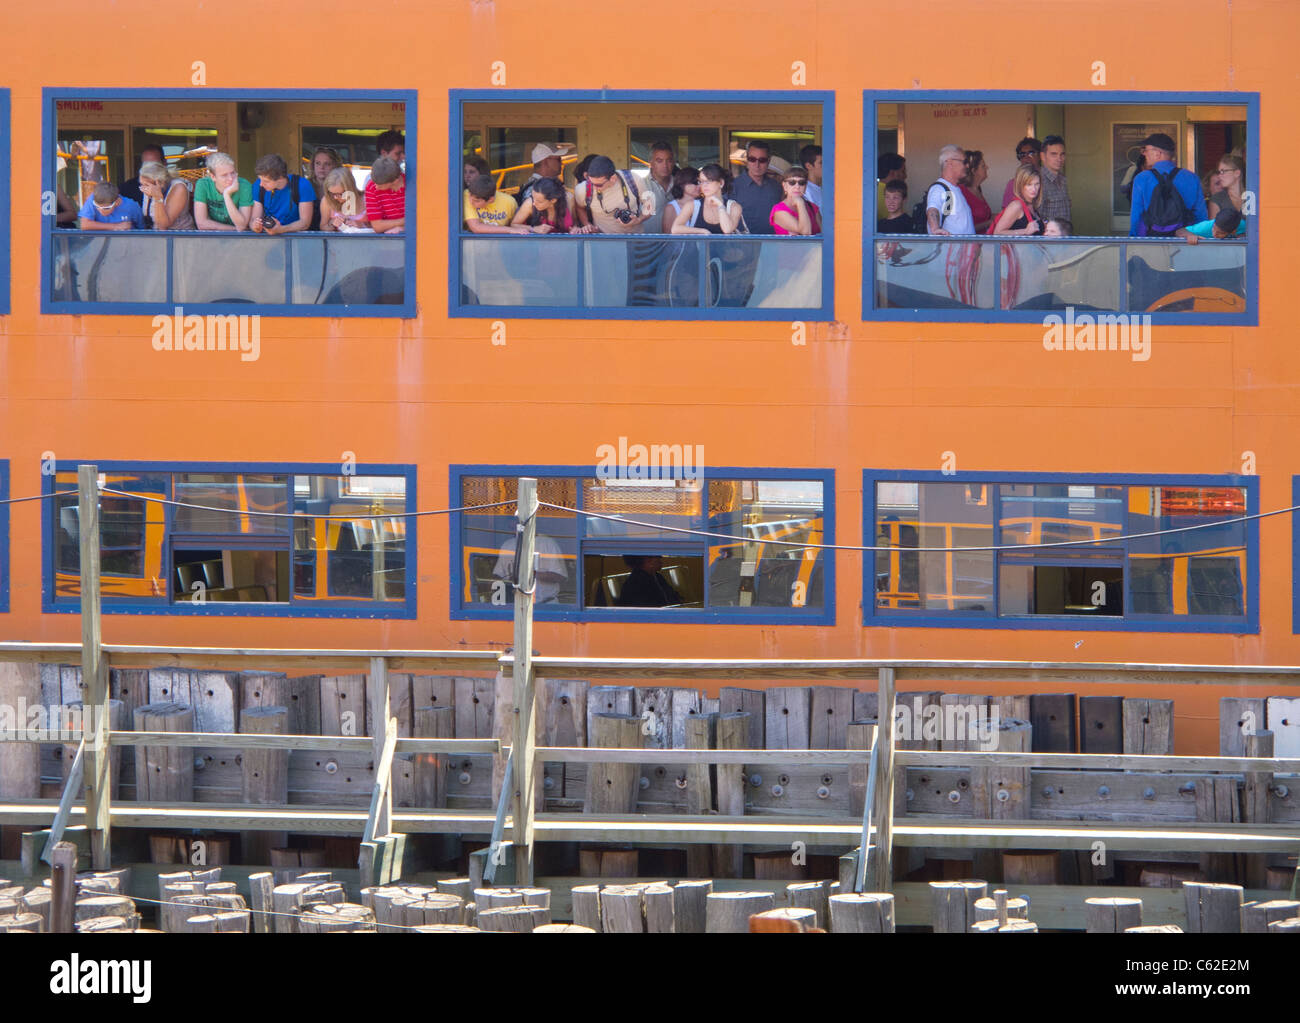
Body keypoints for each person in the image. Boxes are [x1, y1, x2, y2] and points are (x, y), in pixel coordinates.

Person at [1128, 132, 1206, 237]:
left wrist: (1133, 239)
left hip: (1151, 240)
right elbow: (1201, 215)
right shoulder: (1192, 178)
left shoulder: (1142, 179)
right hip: (1184, 241)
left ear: (1158, 153)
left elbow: (1136, 216)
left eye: (1146, 150)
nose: (1144, 154)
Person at [572, 155, 655, 234]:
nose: (593, 187)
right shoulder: (583, 189)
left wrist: (639, 219)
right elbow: (579, 207)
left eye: (599, 185)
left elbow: (651, 205)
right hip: (604, 242)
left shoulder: (634, 179)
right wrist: (587, 224)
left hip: (634, 241)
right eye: (590, 182)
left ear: (613, 179)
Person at [250, 154, 316, 235]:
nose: (261, 184)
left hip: (296, 239)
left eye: (266, 181)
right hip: (266, 238)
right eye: (260, 179)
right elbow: (253, 219)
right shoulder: (258, 186)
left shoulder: (302, 185)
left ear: (280, 178)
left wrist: (282, 229)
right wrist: (255, 226)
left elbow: (305, 223)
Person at [494, 534, 569, 605]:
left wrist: (531, 574)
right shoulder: (507, 545)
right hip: (515, 605)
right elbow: (497, 576)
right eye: (513, 521)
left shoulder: (547, 543)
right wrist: (510, 580)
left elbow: (560, 576)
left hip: (546, 605)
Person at [730, 141, 783, 235]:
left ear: (769, 160)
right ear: (747, 159)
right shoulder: (733, 186)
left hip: (773, 243)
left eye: (762, 160)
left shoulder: (777, 187)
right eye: (752, 159)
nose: (757, 164)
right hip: (742, 245)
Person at [671, 164, 743, 234]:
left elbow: (727, 230)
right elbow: (675, 229)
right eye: (701, 181)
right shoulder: (693, 205)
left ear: (721, 183)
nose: (704, 185)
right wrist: (702, 231)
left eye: (708, 181)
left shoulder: (734, 207)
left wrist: (720, 206)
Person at [194, 152, 254, 231]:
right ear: (213, 177)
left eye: (232, 173)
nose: (231, 178)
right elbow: (201, 224)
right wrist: (234, 229)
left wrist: (227, 195)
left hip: (240, 239)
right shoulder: (203, 184)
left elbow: (242, 225)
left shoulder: (244, 186)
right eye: (224, 175)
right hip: (212, 236)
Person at [926, 145, 975, 235]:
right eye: (964, 162)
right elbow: (933, 209)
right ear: (950, 163)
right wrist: (935, 229)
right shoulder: (942, 189)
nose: (967, 166)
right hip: (952, 248)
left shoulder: (951, 190)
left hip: (961, 248)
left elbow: (945, 212)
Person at [138, 161, 194, 231]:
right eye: (141, 184)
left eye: (146, 185)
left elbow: (163, 225)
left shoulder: (179, 188)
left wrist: (158, 198)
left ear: (159, 183)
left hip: (180, 236)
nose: (143, 188)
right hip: (156, 234)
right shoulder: (148, 188)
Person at [464, 173, 528, 234]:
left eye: (477, 201)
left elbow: (516, 226)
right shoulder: (466, 195)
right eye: (470, 197)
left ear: (490, 200)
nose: (470, 202)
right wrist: (510, 230)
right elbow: (476, 227)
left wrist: (512, 229)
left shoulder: (510, 202)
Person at [990, 165, 1044, 235]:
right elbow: (997, 233)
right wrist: (1025, 231)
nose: (1034, 189)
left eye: (1036, 184)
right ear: (1020, 185)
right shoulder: (1016, 205)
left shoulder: (1032, 205)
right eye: (1029, 184)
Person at [615, 555, 682, 608]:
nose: (661, 557)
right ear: (647, 560)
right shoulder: (635, 584)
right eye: (657, 556)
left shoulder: (657, 577)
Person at [769, 168, 821, 235]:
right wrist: (800, 204)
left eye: (801, 183)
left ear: (805, 186)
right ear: (784, 186)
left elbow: (824, 236)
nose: (797, 186)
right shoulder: (779, 210)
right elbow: (806, 232)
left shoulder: (813, 207)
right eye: (792, 182)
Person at [77, 182, 144, 230]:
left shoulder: (132, 206)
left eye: (106, 208)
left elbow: (142, 229)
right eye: (96, 206)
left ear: (117, 202)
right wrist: (116, 226)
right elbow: (84, 225)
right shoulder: (93, 198)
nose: (100, 210)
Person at [365, 155, 406, 233]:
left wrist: (402, 229)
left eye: (380, 185)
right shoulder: (371, 187)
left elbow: (423, 220)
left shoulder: (413, 186)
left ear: (395, 181)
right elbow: (377, 226)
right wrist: (405, 222)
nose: (376, 187)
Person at [319, 166, 368, 231]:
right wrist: (332, 225)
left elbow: (378, 229)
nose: (335, 197)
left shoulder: (367, 200)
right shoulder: (326, 201)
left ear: (350, 189)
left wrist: (362, 226)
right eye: (332, 193)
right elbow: (323, 227)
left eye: (340, 194)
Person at [637, 140, 676, 221]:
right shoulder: (640, 186)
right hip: (648, 234)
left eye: (669, 160)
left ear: (673, 162)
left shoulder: (681, 185)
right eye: (659, 161)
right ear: (650, 163)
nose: (665, 165)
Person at [119, 144, 165, 208]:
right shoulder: (127, 187)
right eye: (146, 164)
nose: (149, 167)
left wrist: (158, 197)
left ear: (164, 163)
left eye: (154, 164)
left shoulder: (172, 186)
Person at [957, 150, 993, 233]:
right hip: (969, 243)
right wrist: (989, 223)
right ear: (973, 170)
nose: (987, 167)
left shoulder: (977, 189)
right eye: (983, 166)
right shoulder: (961, 192)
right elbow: (961, 228)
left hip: (982, 242)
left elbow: (985, 216)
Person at [1001, 137, 1041, 209]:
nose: (1026, 157)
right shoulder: (1013, 184)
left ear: (1040, 155)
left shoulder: (1048, 180)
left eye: (1031, 153)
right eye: (1022, 154)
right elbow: (1006, 211)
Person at [1038, 135, 1070, 223]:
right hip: (1049, 236)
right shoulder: (1038, 181)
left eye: (1062, 154)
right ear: (1042, 156)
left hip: (1065, 234)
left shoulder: (1062, 179)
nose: (1059, 159)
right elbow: (1037, 219)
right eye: (1054, 154)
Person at [308, 147, 341, 230]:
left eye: (327, 164)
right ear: (313, 165)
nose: (321, 167)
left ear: (335, 166)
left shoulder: (342, 188)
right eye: (318, 163)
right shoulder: (305, 186)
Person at [1176, 206, 1245, 244]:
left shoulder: (1244, 226)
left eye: (1220, 233)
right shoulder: (1207, 226)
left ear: (1233, 231)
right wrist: (1190, 235)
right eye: (1214, 228)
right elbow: (1179, 231)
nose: (1214, 233)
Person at [661, 166, 700, 233]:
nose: (699, 186)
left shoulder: (703, 203)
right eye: (695, 183)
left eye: (700, 182)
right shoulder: (671, 207)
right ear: (682, 184)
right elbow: (667, 236)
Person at [1208, 154, 1246, 219]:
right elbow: (1214, 228)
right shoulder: (1218, 199)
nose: (1219, 176)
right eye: (1219, 172)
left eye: (1223, 171)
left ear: (1237, 173)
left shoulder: (1251, 196)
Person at [877, 153, 906, 219]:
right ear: (892, 173)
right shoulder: (886, 194)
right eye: (903, 171)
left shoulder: (874, 191)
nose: (905, 176)